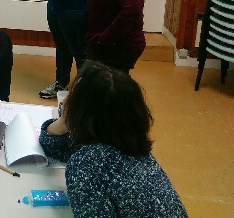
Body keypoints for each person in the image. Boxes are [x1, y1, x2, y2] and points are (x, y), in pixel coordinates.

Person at [39, 61, 188, 217]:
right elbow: (53, 147)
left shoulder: (88, 162)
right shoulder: (128, 145)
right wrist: (64, 122)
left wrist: (69, 117)